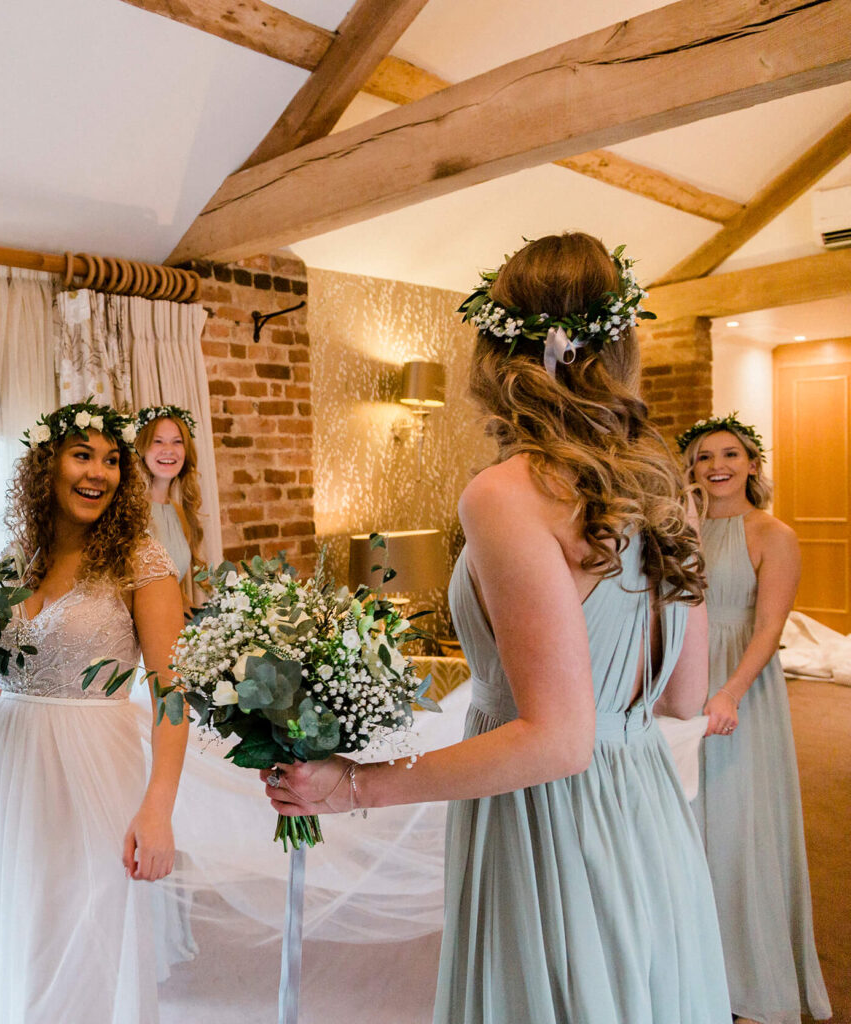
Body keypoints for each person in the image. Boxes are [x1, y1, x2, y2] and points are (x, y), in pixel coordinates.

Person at [264, 234, 730, 1023]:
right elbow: (684, 696)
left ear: (495, 348)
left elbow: (556, 740)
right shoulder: (663, 491)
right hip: (647, 814)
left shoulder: (506, 494)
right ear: (619, 348)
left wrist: (353, 787)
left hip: (551, 823)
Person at [0, 402, 187, 1024]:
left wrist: (158, 808)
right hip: (12, 771)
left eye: (112, 460)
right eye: (82, 455)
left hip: (93, 770)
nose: (100, 473)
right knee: (23, 930)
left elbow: (172, 694)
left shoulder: (141, 562)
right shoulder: (14, 560)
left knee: (88, 940)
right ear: (45, 465)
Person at [680, 414, 831, 1024]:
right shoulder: (678, 531)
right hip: (682, 680)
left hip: (740, 685)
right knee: (685, 822)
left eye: (731, 454)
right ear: (690, 469)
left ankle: (749, 982)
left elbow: (770, 627)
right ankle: (692, 971)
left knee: (739, 823)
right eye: (705, 456)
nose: (718, 465)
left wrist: (732, 692)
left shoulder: (773, 533)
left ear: (751, 464)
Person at [133, 406, 205, 609]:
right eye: (158, 441)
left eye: (177, 442)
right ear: (142, 448)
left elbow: (176, 590)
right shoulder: (130, 512)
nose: (169, 450)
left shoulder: (180, 514)